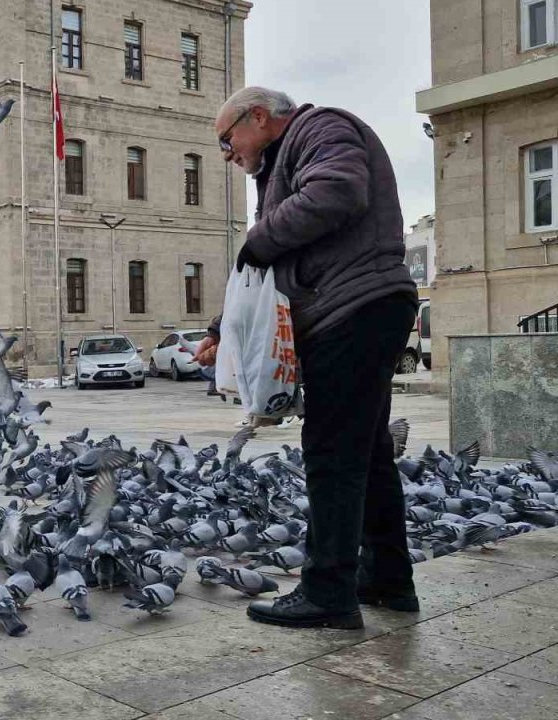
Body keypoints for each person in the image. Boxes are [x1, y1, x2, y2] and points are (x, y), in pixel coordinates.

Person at [194, 87, 417, 631]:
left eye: (228, 139)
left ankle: (328, 593)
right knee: (367, 452)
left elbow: (338, 192)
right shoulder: (280, 164)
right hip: (357, 307)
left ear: (261, 117)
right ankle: (386, 578)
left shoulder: (322, 129)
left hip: (355, 307)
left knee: (331, 450)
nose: (227, 153)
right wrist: (224, 330)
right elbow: (273, 278)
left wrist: (257, 237)